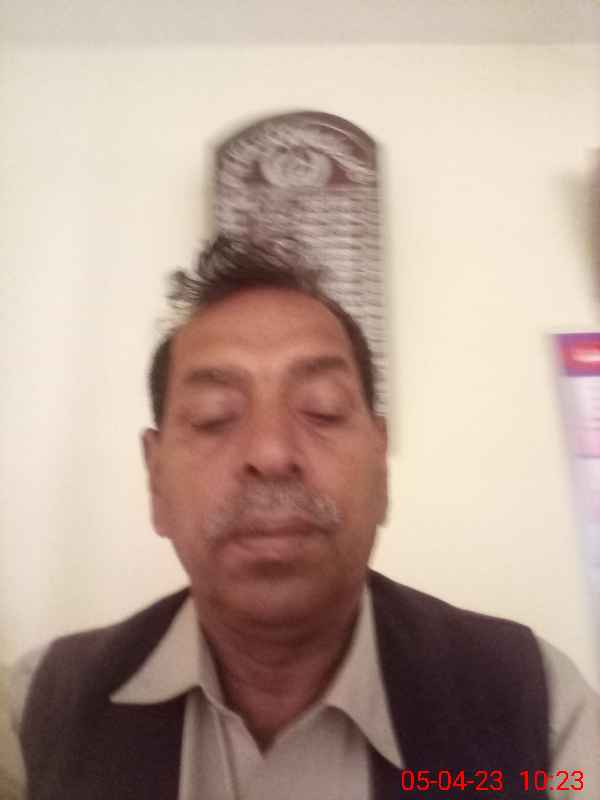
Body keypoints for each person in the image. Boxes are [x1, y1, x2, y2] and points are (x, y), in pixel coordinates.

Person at [11, 237, 599, 799]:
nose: (271, 453)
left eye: (323, 410)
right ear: (155, 479)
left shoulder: (541, 709)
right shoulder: (34, 707)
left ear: (381, 466)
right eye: (214, 417)